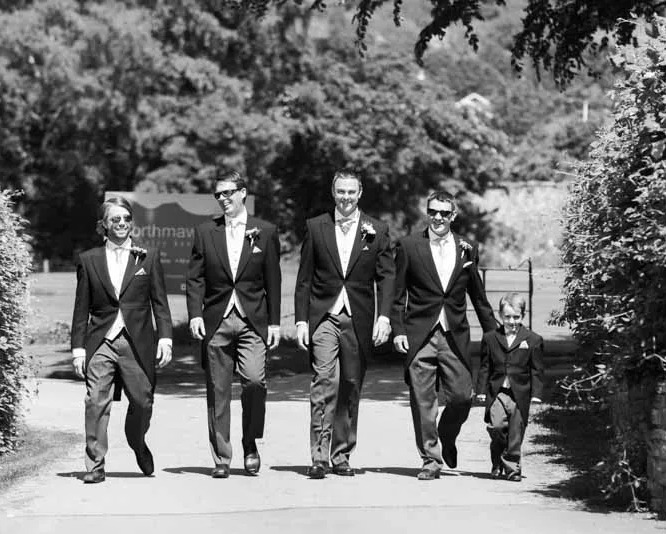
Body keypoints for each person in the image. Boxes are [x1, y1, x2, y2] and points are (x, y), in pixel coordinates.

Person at [295, 171, 395, 479]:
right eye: (341, 191)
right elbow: (304, 279)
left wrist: (384, 317)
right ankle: (318, 457)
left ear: (360, 192)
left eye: (351, 192)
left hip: (359, 318)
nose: (346, 197)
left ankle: (341, 454)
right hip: (324, 316)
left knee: (350, 386)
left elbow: (386, 277)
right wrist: (301, 320)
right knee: (325, 382)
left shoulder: (377, 230)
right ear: (332, 191)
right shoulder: (316, 227)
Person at [391, 191, 497, 480]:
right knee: (423, 401)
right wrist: (398, 330)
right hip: (419, 334)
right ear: (428, 212)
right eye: (433, 211)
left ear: (453, 216)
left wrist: (494, 333)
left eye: (444, 213)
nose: (438, 217)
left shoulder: (467, 249)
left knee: (463, 396)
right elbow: (397, 293)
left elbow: (478, 294)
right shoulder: (409, 245)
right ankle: (430, 459)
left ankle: (446, 437)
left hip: (454, 335)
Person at [71, 197, 173, 484]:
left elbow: (160, 303)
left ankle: (137, 442)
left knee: (142, 402)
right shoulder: (89, 260)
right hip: (101, 339)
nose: (122, 224)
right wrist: (79, 349)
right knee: (95, 401)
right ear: (103, 225)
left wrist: (165, 338)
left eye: (127, 219)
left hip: (137, 341)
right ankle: (94, 464)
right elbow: (81, 308)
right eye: (115, 219)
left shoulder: (147, 257)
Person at [186, 171, 281, 479]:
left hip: (253, 320)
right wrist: (195, 314)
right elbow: (195, 278)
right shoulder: (205, 231)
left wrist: (276, 323)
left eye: (228, 193)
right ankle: (222, 457)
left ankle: (250, 442)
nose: (223, 199)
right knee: (218, 391)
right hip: (216, 320)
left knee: (254, 381)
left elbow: (273, 281)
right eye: (218, 195)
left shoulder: (264, 231)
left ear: (243, 193)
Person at [476, 292, 544, 481]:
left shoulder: (533, 339)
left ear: (523, 316)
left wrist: (536, 394)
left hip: (520, 393)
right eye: (507, 317)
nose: (512, 321)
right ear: (500, 315)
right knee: (496, 427)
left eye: (516, 317)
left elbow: (537, 370)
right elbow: (485, 367)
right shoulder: (490, 338)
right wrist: (481, 391)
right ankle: (497, 461)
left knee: (515, 432)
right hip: (497, 391)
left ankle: (513, 469)